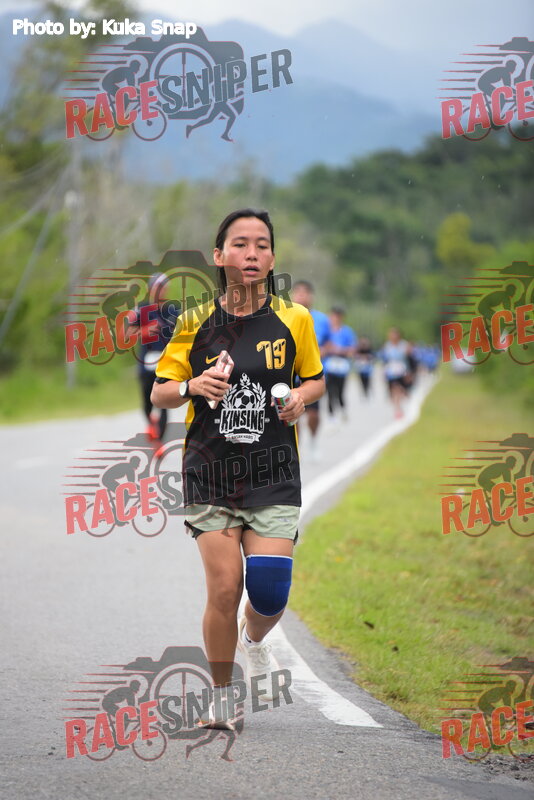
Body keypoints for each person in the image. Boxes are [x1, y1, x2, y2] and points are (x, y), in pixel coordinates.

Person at [151, 209, 325, 729]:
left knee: (269, 593)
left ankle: (254, 639)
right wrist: (191, 386)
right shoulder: (193, 322)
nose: (252, 253)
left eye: (262, 245)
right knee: (225, 589)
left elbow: (315, 379)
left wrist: (300, 398)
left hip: (274, 472)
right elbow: (161, 392)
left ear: (272, 258)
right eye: (241, 243)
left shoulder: (295, 318)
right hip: (211, 473)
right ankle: (222, 696)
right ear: (219, 255)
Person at [126, 273, 179, 448]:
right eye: (157, 287)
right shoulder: (141, 310)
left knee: (163, 403)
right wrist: (145, 331)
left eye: (164, 287)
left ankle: (158, 442)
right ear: (151, 289)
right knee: (146, 402)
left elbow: (183, 335)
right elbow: (127, 335)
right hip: (146, 363)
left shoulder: (173, 310)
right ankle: (151, 424)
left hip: (166, 364)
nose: (161, 290)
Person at [289, 280, 330, 461]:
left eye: (305, 292)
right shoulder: (286, 316)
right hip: (291, 374)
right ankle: (295, 450)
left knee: (313, 414)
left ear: (311, 297)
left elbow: (329, 343)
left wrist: (319, 351)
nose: (301, 296)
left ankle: (313, 441)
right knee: (292, 414)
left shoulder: (321, 320)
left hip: (312, 374)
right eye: (297, 292)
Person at [323, 306, 356, 421]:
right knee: (330, 391)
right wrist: (328, 349)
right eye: (333, 316)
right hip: (328, 366)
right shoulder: (326, 331)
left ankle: (342, 409)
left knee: (340, 391)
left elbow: (352, 349)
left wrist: (339, 350)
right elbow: (322, 346)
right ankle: (331, 416)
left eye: (338, 316)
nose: (335, 318)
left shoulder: (347, 332)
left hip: (342, 366)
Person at [380, 327, 412, 418]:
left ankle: (398, 407)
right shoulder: (387, 346)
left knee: (398, 389)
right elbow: (384, 361)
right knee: (393, 390)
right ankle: (397, 408)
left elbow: (408, 360)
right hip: (391, 371)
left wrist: (409, 372)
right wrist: (383, 373)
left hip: (401, 371)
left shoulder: (404, 345)